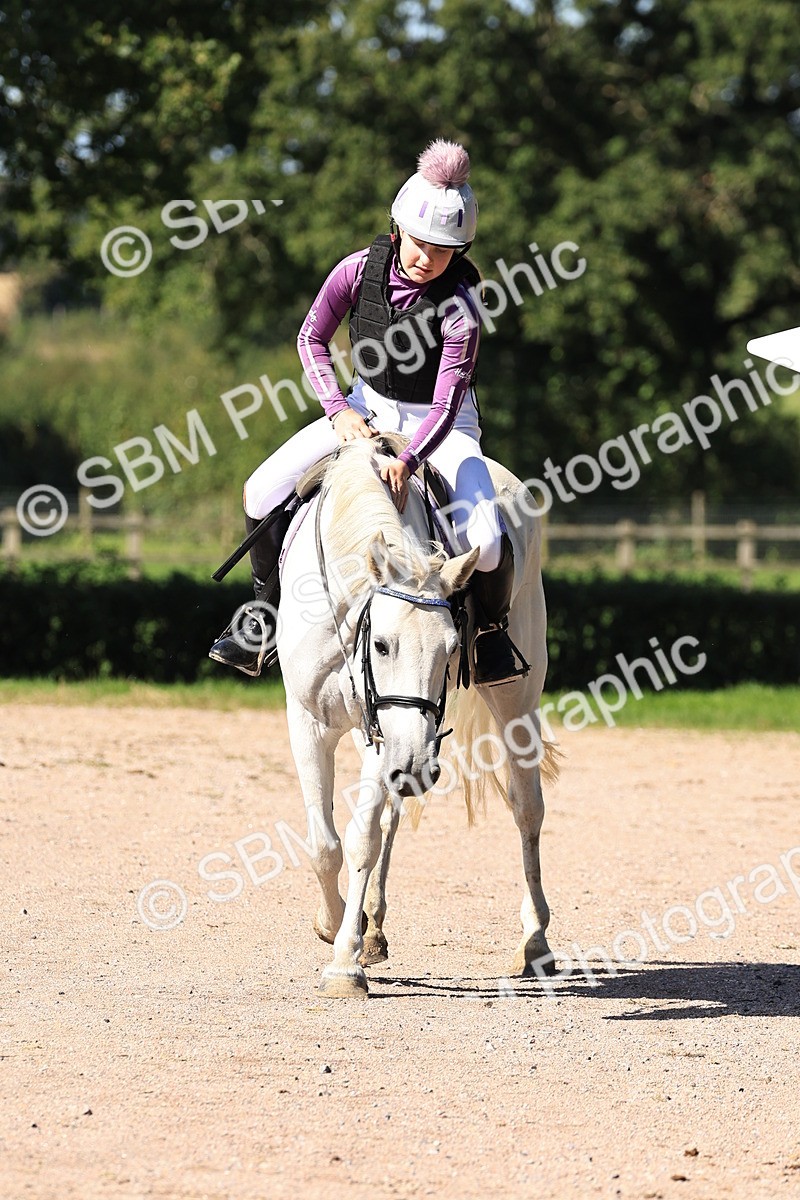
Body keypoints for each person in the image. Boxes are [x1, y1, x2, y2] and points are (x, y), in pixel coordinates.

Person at [209, 138, 526, 686]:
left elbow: (449, 399)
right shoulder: (356, 271)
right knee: (260, 490)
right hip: (364, 407)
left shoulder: (462, 308)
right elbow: (312, 339)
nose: (428, 257)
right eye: (421, 242)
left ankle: (489, 635)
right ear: (399, 226)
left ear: (462, 250)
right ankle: (263, 617)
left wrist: (409, 459)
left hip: (443, 428)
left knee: (491, 543)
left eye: (445, 249)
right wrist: (338, 412)